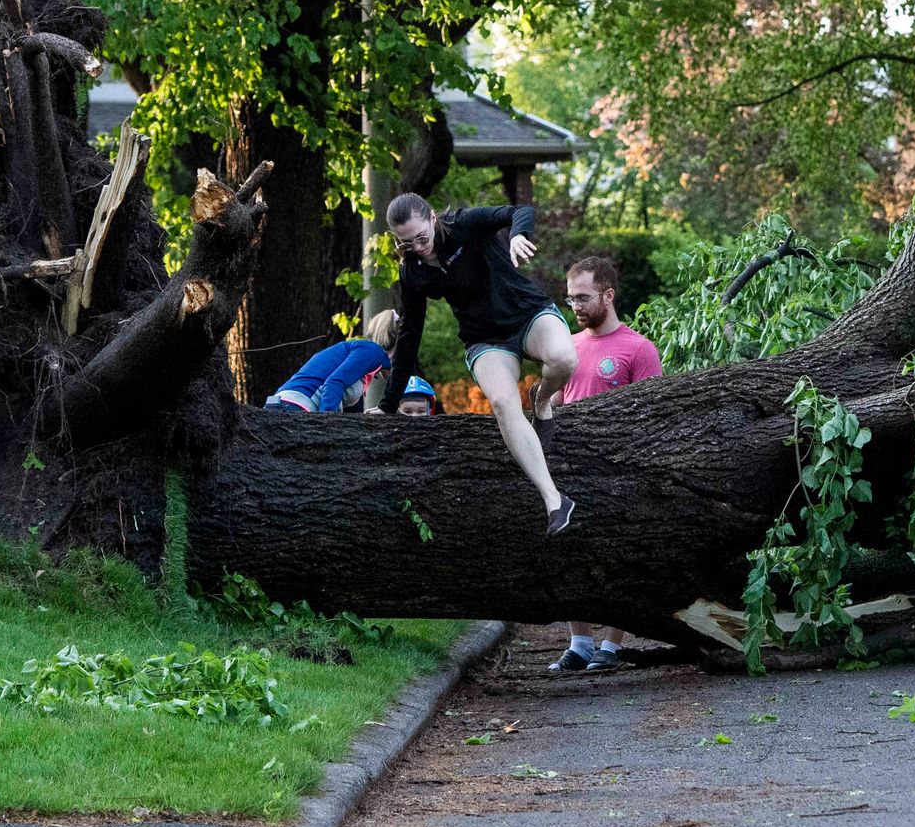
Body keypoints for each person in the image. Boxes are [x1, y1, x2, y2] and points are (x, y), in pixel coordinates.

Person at [374, 192, 579, 534]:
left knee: (564, 359)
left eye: (421, 237)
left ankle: (542, 399)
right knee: (501, 402)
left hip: (528, 313)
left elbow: (521, 211)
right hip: (485, 339)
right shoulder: (412, 271)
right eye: (406, 242)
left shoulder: (465, 224)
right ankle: (554, 501)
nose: (418, 246)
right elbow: (409, 335)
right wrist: (388, 404)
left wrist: (517, 236)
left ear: (433, 218)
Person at [549, 255, 662, 674]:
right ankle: (579, 643)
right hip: (571, 469)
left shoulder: (639, 349)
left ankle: (611, 647)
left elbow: (656, 415)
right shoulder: (567, 346)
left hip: (620, 472)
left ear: (608, 295)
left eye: (583, 297)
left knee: (619, 557)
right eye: (570, 298)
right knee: (569, 554)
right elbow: (555, 403)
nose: (574, 306)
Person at [265, 311, 399, 412]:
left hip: (285, 405)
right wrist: (328, 426)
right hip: (294, 407)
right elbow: (334, 384)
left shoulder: (363, 355)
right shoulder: (372, 351)